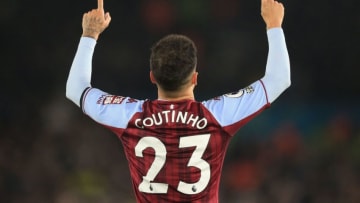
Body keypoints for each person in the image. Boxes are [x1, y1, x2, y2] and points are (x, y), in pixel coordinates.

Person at [66, 0, 290, 202]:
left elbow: (77, 89)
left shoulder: (130, 116)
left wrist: (90, 34)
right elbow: (278, 79)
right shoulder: (217, 115)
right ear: (195, 78)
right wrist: (274, 24)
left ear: (152, 77)